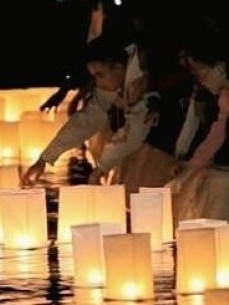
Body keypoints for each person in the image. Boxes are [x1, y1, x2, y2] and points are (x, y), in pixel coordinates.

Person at [23, 36, 153, 186]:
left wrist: (101, 167)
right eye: (94, 76)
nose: (97, 83)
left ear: (118, 67)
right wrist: (45, 158)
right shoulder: (113, 84)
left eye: (100, 75)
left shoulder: (144, 82)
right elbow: (84, 122)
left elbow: (135, 130)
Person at [168, 36, 228, 220]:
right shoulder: (224, 98)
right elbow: (215, 136)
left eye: (201, 74)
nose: (201, 81)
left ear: (220, 67)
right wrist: (189, 170)